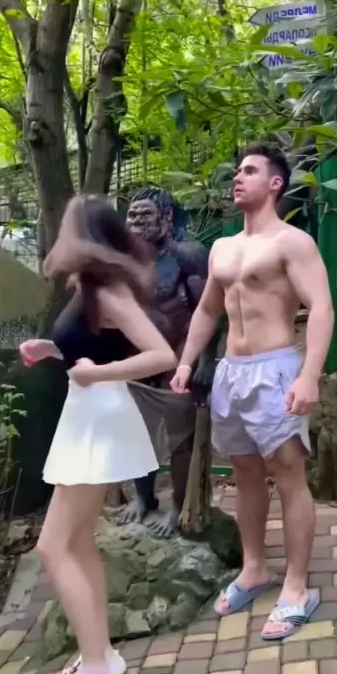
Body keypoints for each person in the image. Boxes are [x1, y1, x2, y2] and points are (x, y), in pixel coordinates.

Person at [19, 196, 176, 674]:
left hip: (98, 419)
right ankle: (101, 656)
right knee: (78, 542)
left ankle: (96, 672)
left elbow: (161, 355)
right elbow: (94, 347)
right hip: (88, 415)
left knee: (53, 547)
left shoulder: (107, 290)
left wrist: (96, 374)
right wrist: (53, 350)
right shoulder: (88, 287)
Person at [170, 142, 334, 640]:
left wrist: (309, 374)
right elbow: (207, 310)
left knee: (288, 476)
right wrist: (186, 361)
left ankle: (297, 587)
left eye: (249, 170)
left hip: (275, 370)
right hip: (231, 372)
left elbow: (321, 307)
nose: (237, 178)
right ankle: (255, 568)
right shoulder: (222, 248)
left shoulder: (293, 242)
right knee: (244, 473)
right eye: (237, 171)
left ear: (275, 183)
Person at [115, 186, 219, 537]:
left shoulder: (188, 255)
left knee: (180, 440)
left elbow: (209, 311)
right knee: (136, 434)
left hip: (179, 357)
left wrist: (206, 361)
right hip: (137, 360)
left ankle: (178, 506)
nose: (136, 221)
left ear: (167, 217)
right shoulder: (124, 260)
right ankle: (144, 498)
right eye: (132, 215)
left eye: (145, 214)